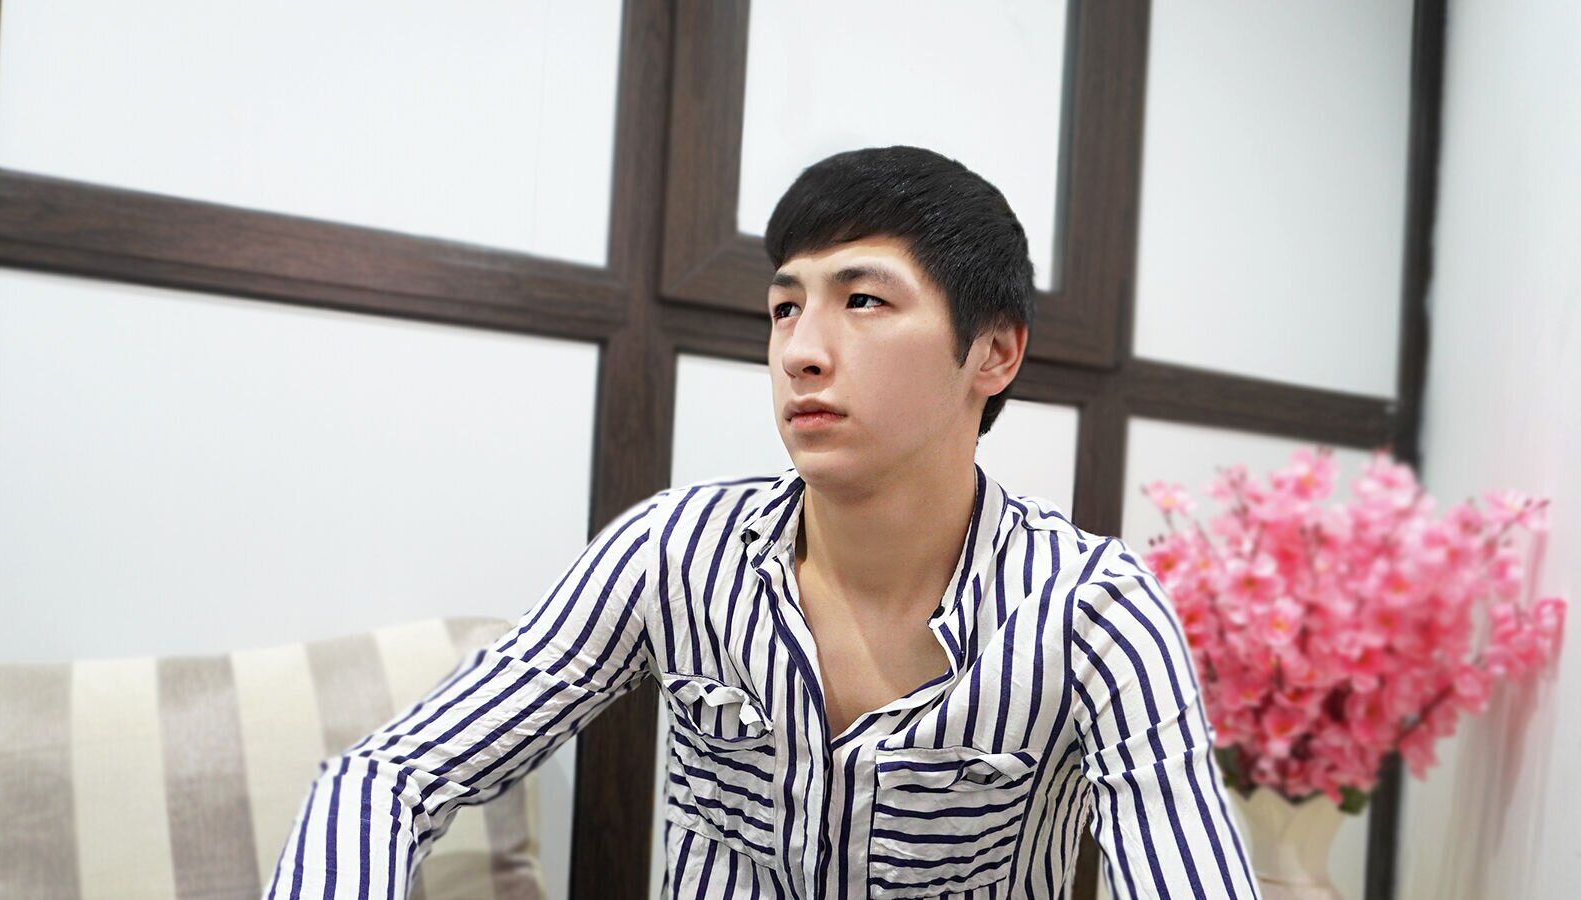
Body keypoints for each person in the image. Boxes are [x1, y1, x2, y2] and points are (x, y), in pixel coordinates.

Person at [263, 145, 1262, 899]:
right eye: (785, 309)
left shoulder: (1093, 611)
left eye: (863, 301)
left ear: (993, 353)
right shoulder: (674, 550)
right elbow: (390, 776)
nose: (800, 352)